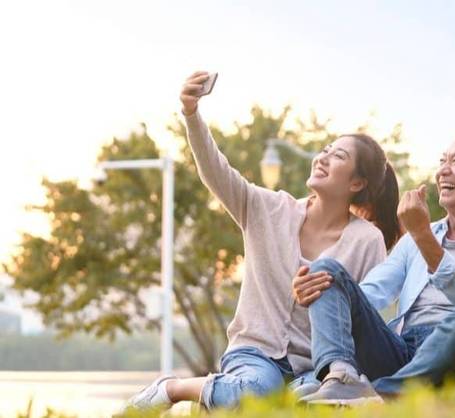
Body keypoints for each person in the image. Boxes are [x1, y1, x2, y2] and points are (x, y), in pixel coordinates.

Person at [126, 71, 401, 410]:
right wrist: (191, 114)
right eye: (325, 150)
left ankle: (224, 398)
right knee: (258, 391)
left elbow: (365, 318)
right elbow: (215, 170)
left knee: (307, 403)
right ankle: (173, 389)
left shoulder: (367, 241)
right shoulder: (267, 208)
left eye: (338, 156)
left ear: (357, 183)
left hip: (314, 367)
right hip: (254, 355)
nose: (323, 158)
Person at [292, 130, 455, 405]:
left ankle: (379, 395)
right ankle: (341, 378)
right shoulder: (414, 240)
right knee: (327, 270)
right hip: (403, 350)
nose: (442, 171)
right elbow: (370, 293)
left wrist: (422, 236)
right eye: (442, 161)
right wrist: (328, 292)